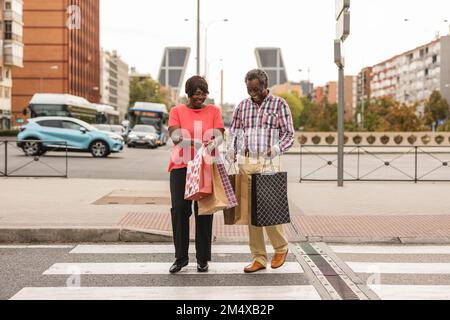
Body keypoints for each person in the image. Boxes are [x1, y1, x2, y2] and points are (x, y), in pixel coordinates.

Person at [227, 69, 295, 273]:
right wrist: (232, 149)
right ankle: (258, 257)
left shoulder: (279, 104)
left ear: (266, 86)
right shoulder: (242, 106)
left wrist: (276, 149)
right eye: (249, 89)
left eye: (256, 89)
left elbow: (289, 134)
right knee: (251, 213)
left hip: (269, 162)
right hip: (247, 161)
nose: (252, 93)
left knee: (270, 209)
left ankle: (281, 248)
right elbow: (235, 132)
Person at [168, 76, 225, 274]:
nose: (200, 98)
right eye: (196, 94)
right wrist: (196, 143)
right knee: (180, 210)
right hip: (181, 167)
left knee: (204, 211)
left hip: (205, 166)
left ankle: (202, 259)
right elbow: (175, 136)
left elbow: (219, 134)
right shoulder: (177, 111)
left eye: (203, 94)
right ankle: (181, 257)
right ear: (189, 93)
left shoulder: (214, 111)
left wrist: (214, 143)